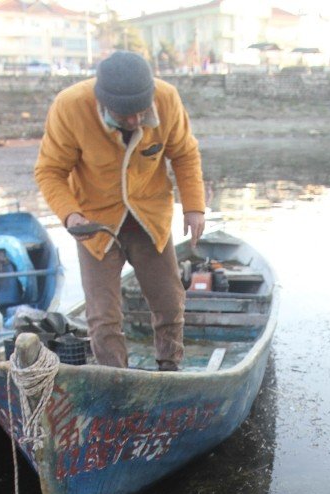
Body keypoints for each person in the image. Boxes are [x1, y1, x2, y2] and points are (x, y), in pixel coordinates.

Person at [34, 50, 206, 370]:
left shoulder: (167, 99)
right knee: (102, 315)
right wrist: (71, 214)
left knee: (170, 301)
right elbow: (50, 171)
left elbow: (184, 155)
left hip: (149, 216)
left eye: (140, 113)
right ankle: (116, 379)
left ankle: (170, 367)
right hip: (94, 222)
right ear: (103, 102)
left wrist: (194, 207)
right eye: (124, 115)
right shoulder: (70, 107)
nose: (133, 121)